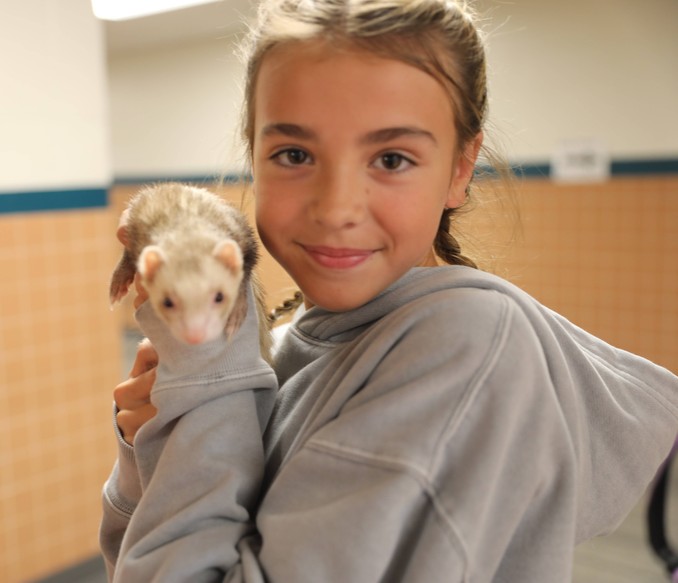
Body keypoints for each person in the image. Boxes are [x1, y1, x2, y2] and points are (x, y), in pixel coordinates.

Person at [100, 0, 678, 581]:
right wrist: (157, 442)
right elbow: (139, 558)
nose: (336, 209)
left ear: (460, 168)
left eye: (392, 158)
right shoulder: (278, 343)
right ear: (254, 154)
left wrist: (208, 396)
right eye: (294, 155)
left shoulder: (463, 344)